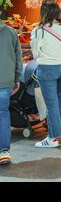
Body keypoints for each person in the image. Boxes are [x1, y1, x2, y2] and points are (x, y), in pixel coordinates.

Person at [31, 1, 61, 148]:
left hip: (48, 68)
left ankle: (53, 138)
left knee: (51, 104)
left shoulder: (38, 30)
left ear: (43, 12)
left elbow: (35, 53)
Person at [0, 9, 22, 165]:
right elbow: (18, 56)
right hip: (5, 80)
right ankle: (4, 152)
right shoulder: (11, 32)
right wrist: (17, 77)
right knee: (2, 114)